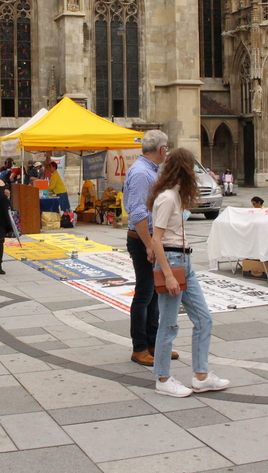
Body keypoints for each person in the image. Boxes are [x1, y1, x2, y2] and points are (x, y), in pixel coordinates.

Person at [147, 147, 230, 398]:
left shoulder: (176, 196)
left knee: (204, 318)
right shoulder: (167, 197)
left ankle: (201, 376)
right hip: (172, 261)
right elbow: (157, 239)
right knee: (169, 324)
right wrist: (169, 274)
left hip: (184, 260)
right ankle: (162, 378)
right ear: (183, 169)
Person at [123, 130, 171, 367]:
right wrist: (149, 244)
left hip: (149, 238)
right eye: (167, 148)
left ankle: (153, 343)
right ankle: (139, 347)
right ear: (161, 150)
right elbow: (138, 212)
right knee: (144, 293)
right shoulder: (143, 173)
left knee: (153, 293)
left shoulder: (150, 170)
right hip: (143, 238)